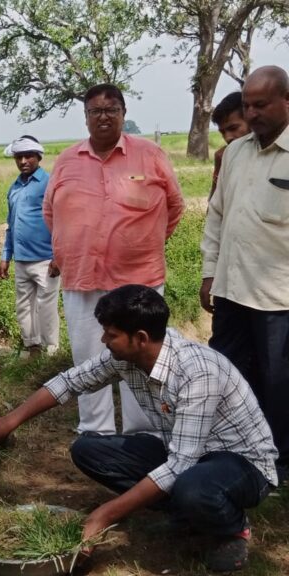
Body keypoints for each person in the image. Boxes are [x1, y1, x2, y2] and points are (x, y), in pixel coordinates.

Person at [0, 285, 277, 573]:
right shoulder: (126, 357)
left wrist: (104, 514)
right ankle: (187, 515)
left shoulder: (197, 372)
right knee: (88, 450)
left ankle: (232, 528)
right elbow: (69, 382)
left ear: (140, 337)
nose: (104, 340)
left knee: (192, 487)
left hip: (242, 463)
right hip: (184, 451)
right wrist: (8, 422)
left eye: (111, 334)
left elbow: (180, 465)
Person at [44, 83, 184, 436]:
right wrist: (69, 245)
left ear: (123, 113)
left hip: (138, 278)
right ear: (86, 117)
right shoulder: (67, 160)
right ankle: (96, 429)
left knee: (141, 353)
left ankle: (144, 432)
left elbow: (175, 207)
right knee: (89, 356)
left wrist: (142, 243)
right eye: (95, 111)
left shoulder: (150, 155)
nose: (103, 116)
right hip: (81, 276)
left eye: (111, 110)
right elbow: (50, 212)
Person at [200, 65, 289, 482]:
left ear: (286, 102)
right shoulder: (235, 153)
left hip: (278, 297)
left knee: (279, 382)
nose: (251, 114)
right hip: (232, 289)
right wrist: (208, 273)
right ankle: (237, 450)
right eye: (248, 105)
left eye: (261, 104)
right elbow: (217, 216)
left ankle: (280, 463)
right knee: (228, 374)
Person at [0, 135, 59, 357]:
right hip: (21, 259)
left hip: (46, 259)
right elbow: (11, 225)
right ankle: (32, 347)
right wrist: (6, 257)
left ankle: (52, 351)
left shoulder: (49, 183)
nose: (23, 161)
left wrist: (58, 256)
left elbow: (61, 221)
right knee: (23, 306)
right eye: (19, 157)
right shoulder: (14, 188)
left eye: (28, 156)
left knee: (46, 307)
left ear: (38, 157)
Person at [210, 92, 250, 198]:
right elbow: (214, 209)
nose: (228, 138)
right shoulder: (226, 157)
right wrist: (219, 170)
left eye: (233, 128)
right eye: (222, 132)